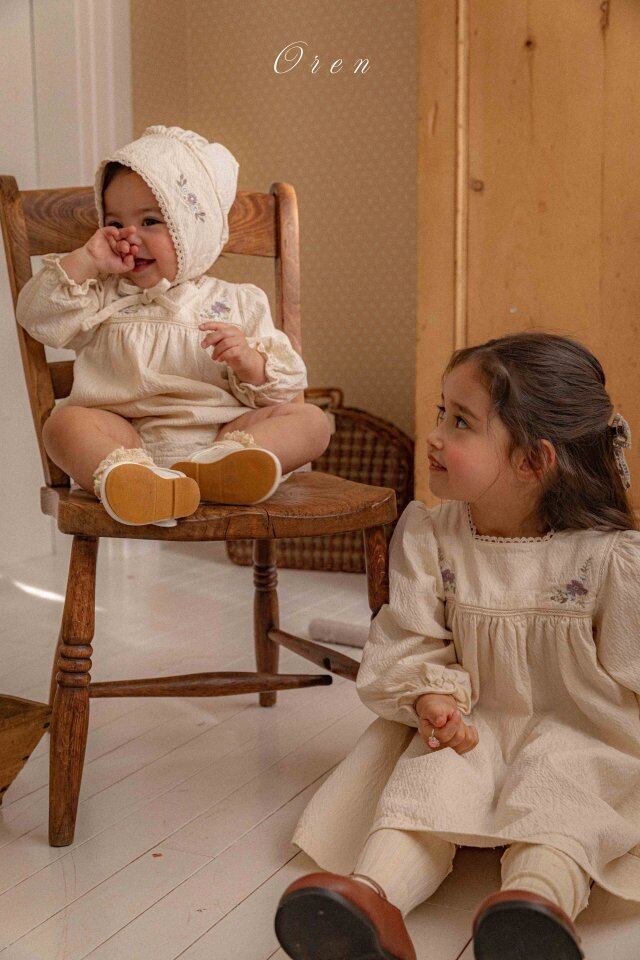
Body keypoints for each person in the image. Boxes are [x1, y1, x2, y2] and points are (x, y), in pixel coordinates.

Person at [274, 332, 640, 960]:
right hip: (470, 722)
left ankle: (533, 910)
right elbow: (407, 638)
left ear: (533, 461)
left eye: (461, 422)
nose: (435, 436)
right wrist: (428, 696)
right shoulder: (431, 534)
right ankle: (372, 901)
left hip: (580, 727)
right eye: (441, 413)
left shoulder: (610, 558)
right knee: (426, 782)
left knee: (565, 793)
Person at [16, 125, 331, 527]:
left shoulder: (239, 302)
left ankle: (225, 472)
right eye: (114, 223)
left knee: (312, 421)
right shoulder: (98, 295)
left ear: (193, 233)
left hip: (224, 437)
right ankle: (135, 483)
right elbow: (36, 316)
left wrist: (249, 363)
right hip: (127, 439)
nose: (129, 235)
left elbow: (286, 388)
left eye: (150, 220)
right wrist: (86, 260)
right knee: (61, 425)